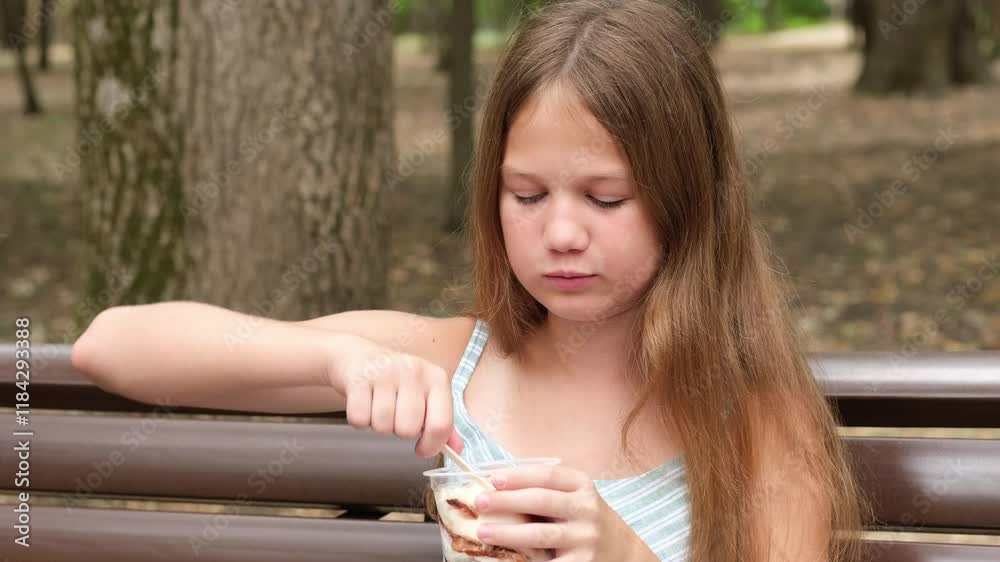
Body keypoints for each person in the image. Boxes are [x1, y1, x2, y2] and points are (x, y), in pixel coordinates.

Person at [70, 1, 873, 561]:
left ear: (688, 198)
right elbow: (110, 346)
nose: (561, 232)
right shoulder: (456, 362)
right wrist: (339, 359)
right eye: (526, 195)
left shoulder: (756, 422)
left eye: (605, 198)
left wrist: (626, 555)